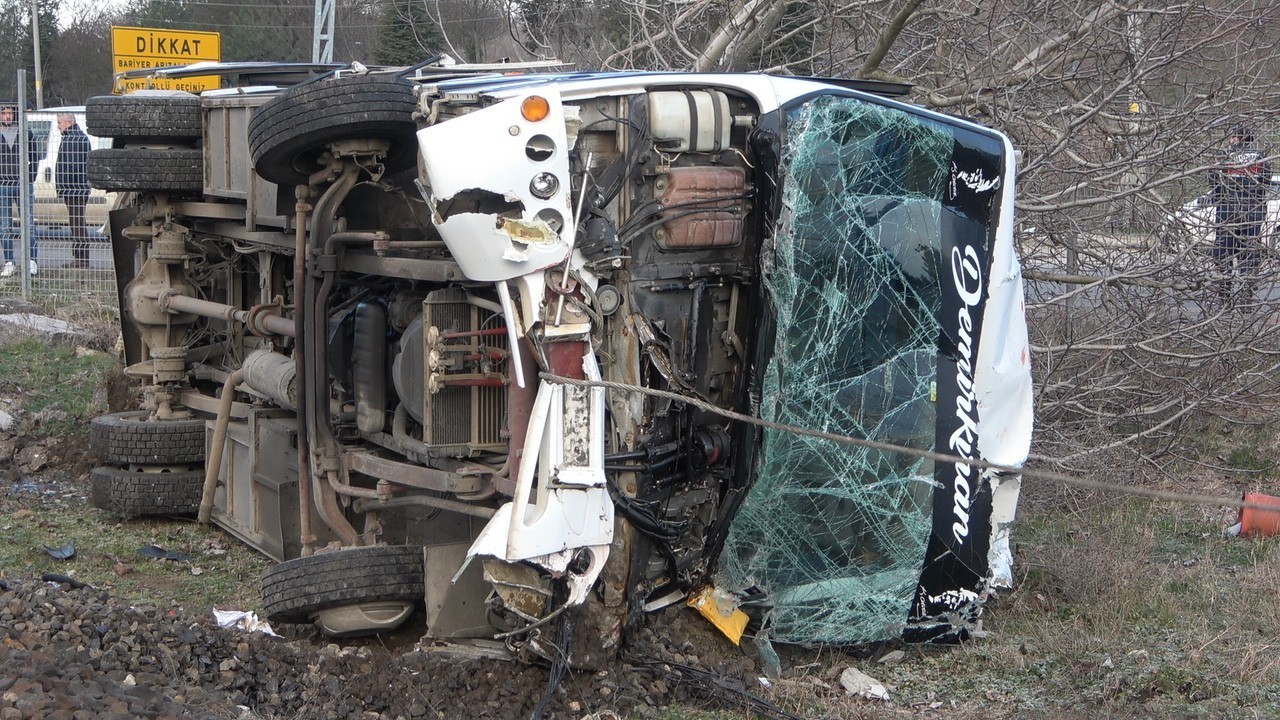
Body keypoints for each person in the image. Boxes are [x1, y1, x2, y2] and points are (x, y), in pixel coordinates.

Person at [1208, 124, 1272, 298]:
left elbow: (1213, 181)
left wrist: (1220, 201)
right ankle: (1246, 296)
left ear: (1235, 138)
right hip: (1253, 211)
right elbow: (1265, 182)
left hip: (1227, 210)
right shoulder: (1259, 157)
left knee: (1223, 253)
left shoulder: (1224, 156)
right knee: (1249, 254)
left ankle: (1224, 295)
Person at [0, 102, 40, 277]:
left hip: (23, 185)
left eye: (10, 113)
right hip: (3, 185)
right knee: (5, 226)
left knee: (29, 224)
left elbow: (35, 157)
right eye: (5, 114)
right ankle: (9, 262)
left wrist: (29, 179)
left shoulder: (25, 132)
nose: (8, 117)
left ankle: (32, 261)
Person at [55, 113, 92, 270]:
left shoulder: (71, 139)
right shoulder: (80, 137)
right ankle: (80, 257)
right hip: (79, 188)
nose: (58, 126)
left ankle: (81, 259)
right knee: (78, 223)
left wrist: (65, 188)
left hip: (73, 189)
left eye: (60, 122)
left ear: (68, 122)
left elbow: (70, 167)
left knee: (77, 224)